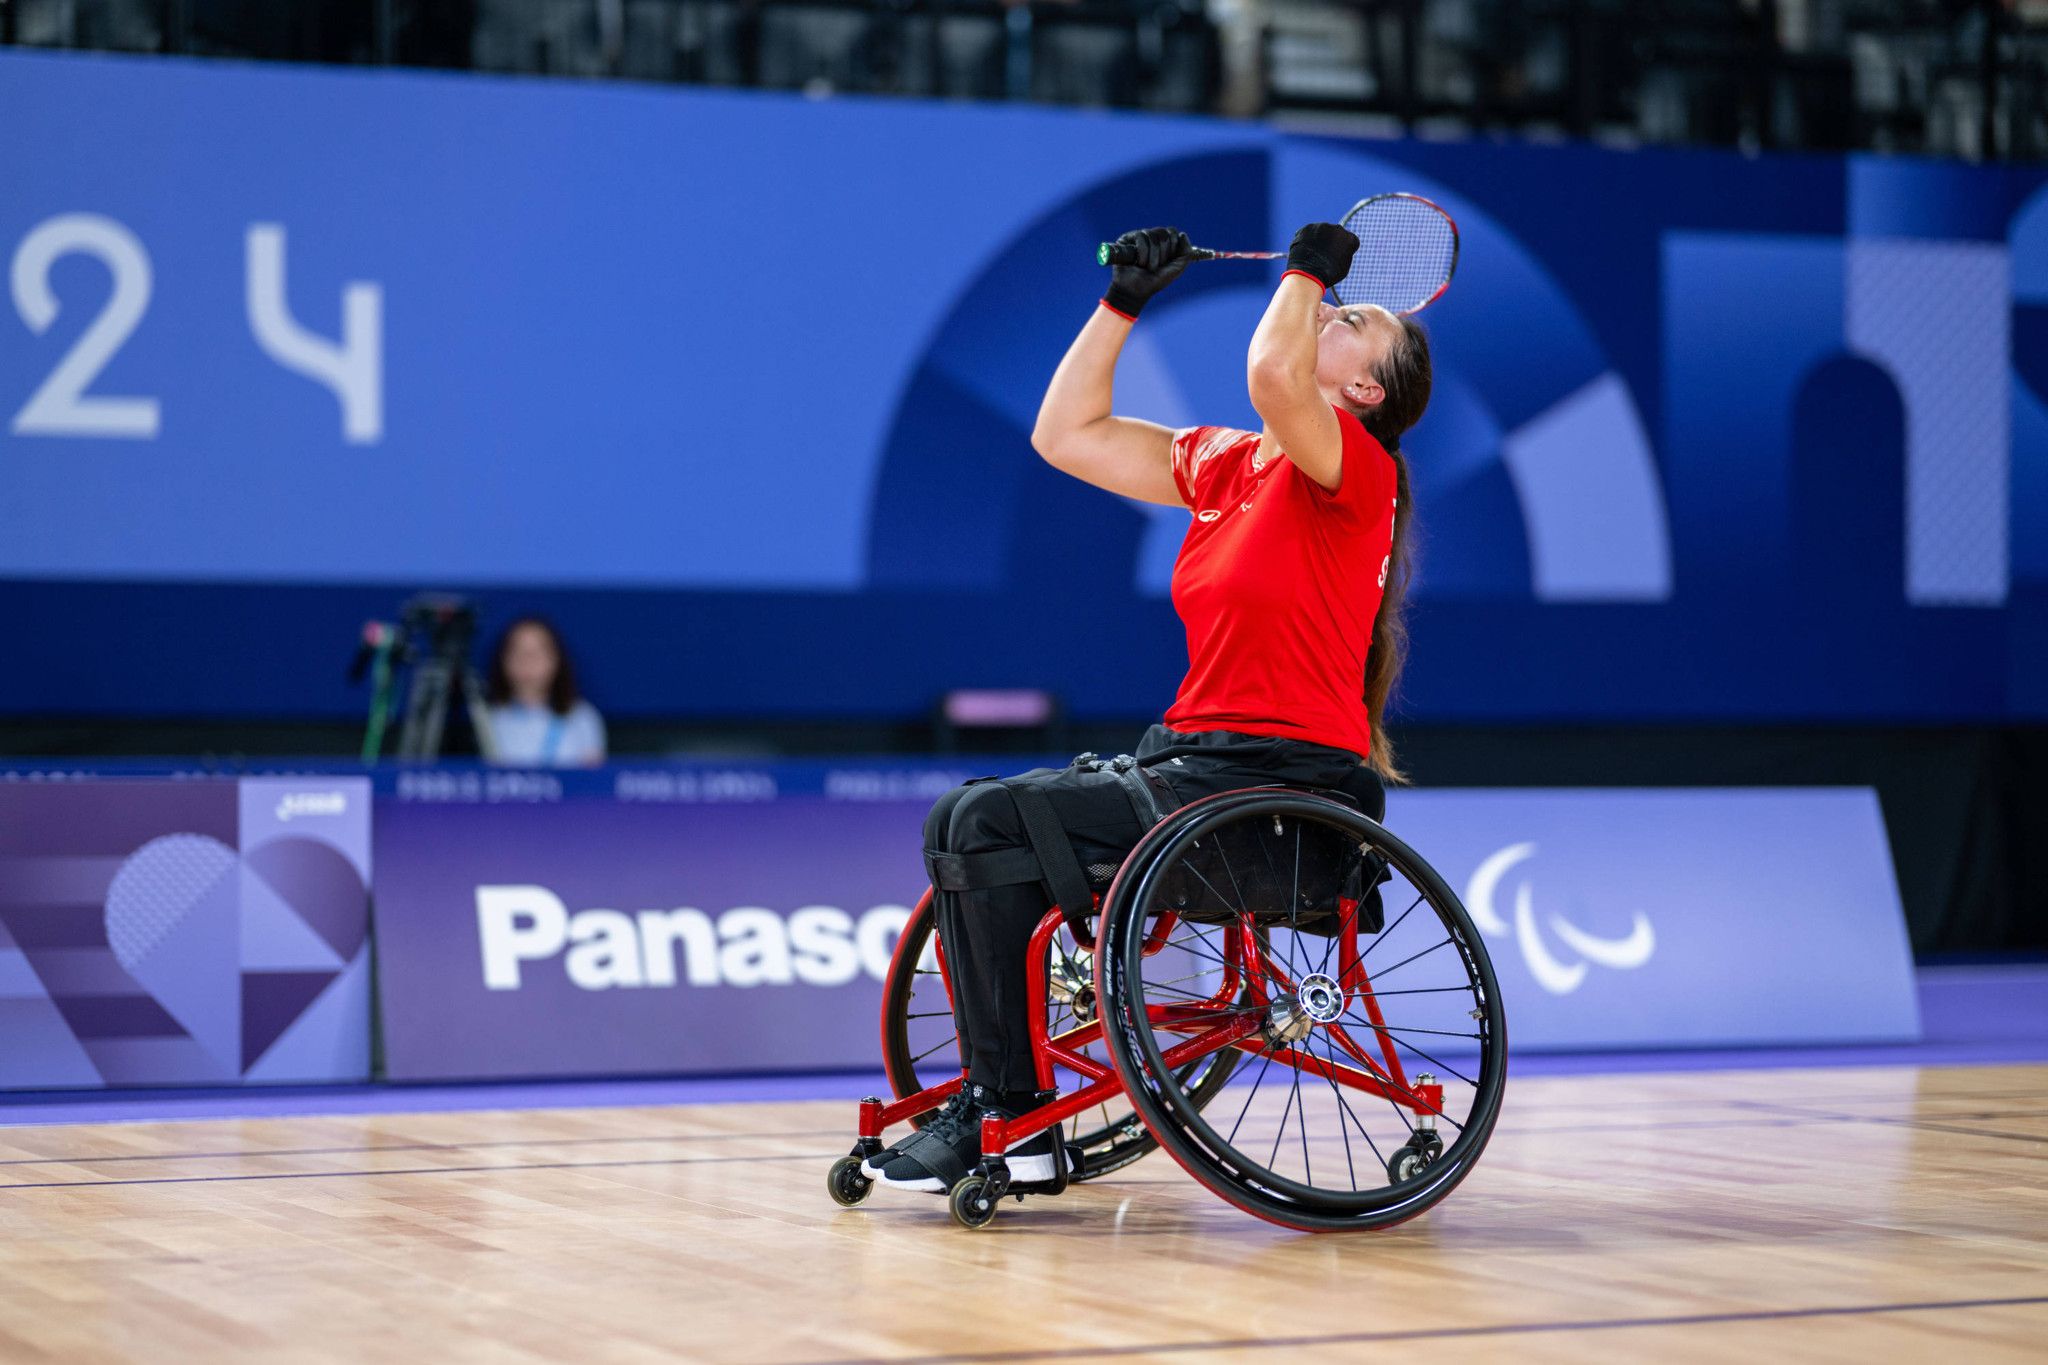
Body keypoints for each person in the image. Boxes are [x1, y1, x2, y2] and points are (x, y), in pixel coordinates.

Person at [864, 222, 1432, 1192]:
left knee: (992, 814)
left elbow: (1272, 377)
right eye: (1333, 302)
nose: (1332, 311)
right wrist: (1119, 305)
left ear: (1365, 392)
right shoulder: (1227, 466)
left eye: (1354, 320)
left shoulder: (1356, 474)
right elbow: (1064, 437)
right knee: (966, 818)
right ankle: (1007, 1102)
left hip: (1278, 788)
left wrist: (1304, 271)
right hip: (1187, 763)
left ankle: (1005, 1111)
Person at [483, 616, 608, 766]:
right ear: (503, 660)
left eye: (537, 653)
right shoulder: (486, 719)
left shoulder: (583, 717)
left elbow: (594, 779)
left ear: (556, 660)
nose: (527, 661)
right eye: (518, 652)